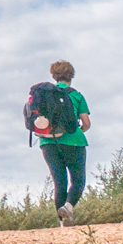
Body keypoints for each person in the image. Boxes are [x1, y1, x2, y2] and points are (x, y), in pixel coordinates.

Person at [39, 60, 90, 227]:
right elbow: (86, 123)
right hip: (73, 142)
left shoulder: (44, 95)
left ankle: (62, 223)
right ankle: (68, 207)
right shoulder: (76, 96)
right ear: (71, 76)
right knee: (78, 180)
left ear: (53, 76)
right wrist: (76, 132)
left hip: (48, 142)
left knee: (59, 182)